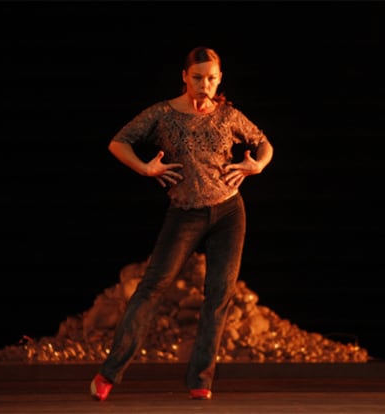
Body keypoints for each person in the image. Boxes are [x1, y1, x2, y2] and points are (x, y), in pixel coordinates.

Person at [90, 46, 274, 401]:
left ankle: (200, 380)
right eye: (197, 78)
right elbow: (118, 142)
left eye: (211, 78)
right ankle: (108, 374)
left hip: (228, 211)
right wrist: (145, 167)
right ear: (184, 77)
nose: (204, 85)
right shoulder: (163, 114)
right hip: (185, 211)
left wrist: (258, 165)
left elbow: (264, 143)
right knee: (151, 287)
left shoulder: (229, 115)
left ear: (219, 79)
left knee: (218, 294)